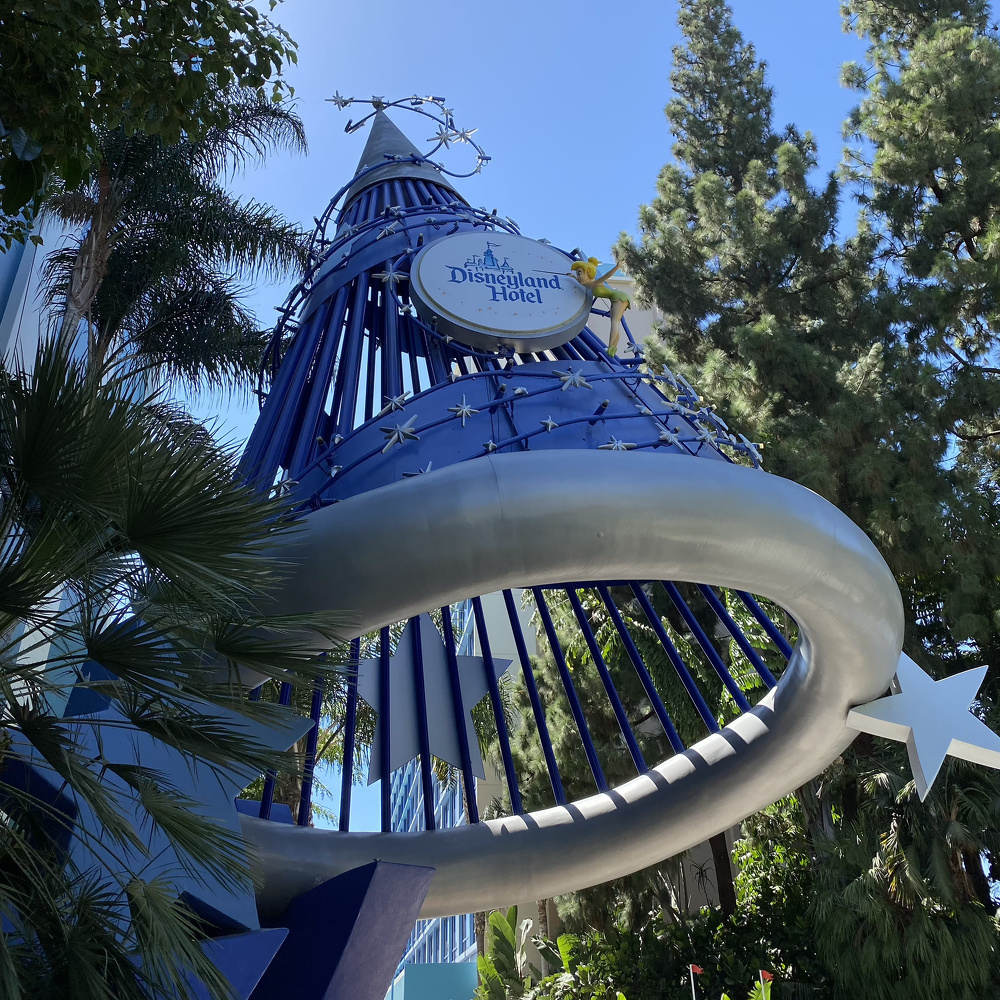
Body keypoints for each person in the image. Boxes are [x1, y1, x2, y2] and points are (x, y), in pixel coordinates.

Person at [569, 256, 631, 357]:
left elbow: (607, 275)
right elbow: (582, 284)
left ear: (588, 272)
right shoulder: (589, 285)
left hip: (619, 297)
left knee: (615, 322)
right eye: (577, 274)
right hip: (615, 299)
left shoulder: (596, 282)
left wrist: (618, 266)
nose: (578, 276)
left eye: (579, 273)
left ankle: (611, 347)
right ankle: (612, 348)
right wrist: (573, 278)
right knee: (615, 322)